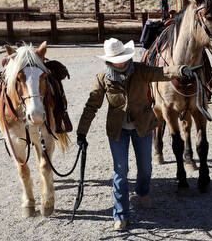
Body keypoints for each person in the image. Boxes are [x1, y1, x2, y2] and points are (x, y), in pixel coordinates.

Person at [76, 38, 191, 231]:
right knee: (120, 172)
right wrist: (82, 131)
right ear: (109, 60)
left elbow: (162, 72)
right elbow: (91, 106)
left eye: (122, 57)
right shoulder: (103, 77)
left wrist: (181, 70)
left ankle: (142, 191)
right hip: (117, 130)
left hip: (143, 127)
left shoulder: (140, 70)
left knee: (145, 168)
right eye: (116, 59)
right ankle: (121, 215)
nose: (120, 62)